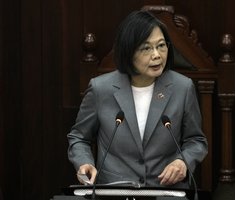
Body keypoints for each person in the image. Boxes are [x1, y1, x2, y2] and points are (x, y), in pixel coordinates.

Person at [67, 10, 208, 189]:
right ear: (129, 51)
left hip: (165, 191)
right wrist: (83, 163)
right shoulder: (100, 89)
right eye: (146, 48)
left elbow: (196, 140)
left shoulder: (183, 88)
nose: (157, 55)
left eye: (161, 46)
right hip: (115, 191)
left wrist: (182, 162)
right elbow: (79, 137)